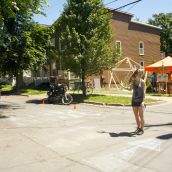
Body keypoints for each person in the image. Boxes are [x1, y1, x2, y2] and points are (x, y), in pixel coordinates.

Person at [130, 69, 146, 135]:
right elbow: (130, 89)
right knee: (136, 116)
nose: (140, 73)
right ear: (136, 74)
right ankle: (138, 127)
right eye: (139, 72)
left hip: (140, 101)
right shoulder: (133, 82)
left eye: (140, 72)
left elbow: (144, 92)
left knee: (141, 116)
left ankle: (142, 129)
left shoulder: (142, 82)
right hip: (134, 100)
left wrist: (143, 101)